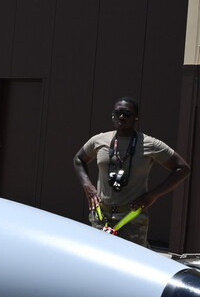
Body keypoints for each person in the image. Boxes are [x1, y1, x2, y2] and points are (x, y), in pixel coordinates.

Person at [73, 97, 191, 247]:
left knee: (130, 262)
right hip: (101, 215)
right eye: (118, 113)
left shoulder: (150, 143)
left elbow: (182, 168)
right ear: (112, 115)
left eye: (127, 113)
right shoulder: (99, 140)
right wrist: (87, 186)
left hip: (131, 217)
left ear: (136, 117)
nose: (121, 116)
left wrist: (153, 195)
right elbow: (78, 159)